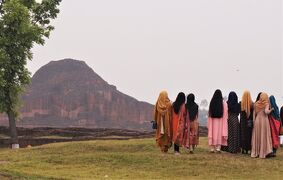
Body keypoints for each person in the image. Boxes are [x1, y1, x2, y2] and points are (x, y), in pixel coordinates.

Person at [251, 92, 273, 158]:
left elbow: (254, 114)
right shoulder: (266, 103)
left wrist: (254, 122)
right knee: (263, 136)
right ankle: (263, 152)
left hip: (257, 120)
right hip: (264, 121)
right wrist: (271, 110)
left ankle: (256, 152)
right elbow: (266, 112)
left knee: (257, 136)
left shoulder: (256, 104)